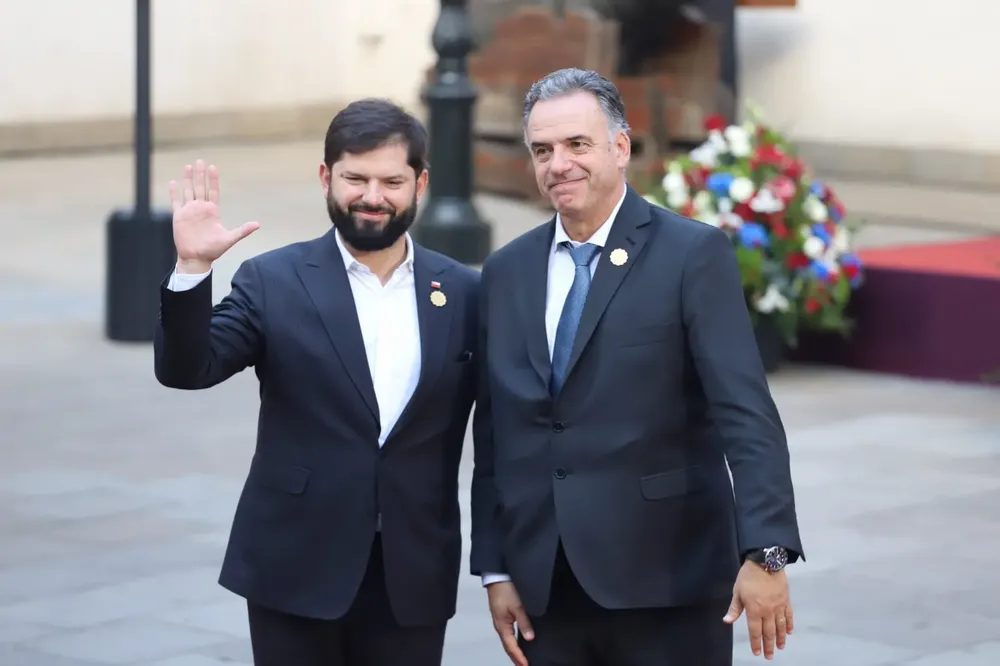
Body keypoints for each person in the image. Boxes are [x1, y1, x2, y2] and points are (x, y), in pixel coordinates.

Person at [470, 68, 804, 666]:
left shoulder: (692, 255)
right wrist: (496, 567)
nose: (559, 164)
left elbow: (745, 412)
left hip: (667, 583)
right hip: (548, 590)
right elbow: (497, 435)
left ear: (620, 148)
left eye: (578, 144)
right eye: (542, 150)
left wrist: (767, 553)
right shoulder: (507, 272)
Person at [154, 98, 480, 666]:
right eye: (355, 178)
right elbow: (188, 370)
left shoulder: (464, 291)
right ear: (326, 177)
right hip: (295, 565)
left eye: (391, 181)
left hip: (413, 572)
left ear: (420, 184)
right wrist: (192, 271)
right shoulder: (273, 279)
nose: (372, 197)